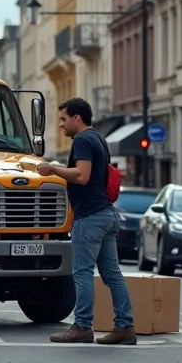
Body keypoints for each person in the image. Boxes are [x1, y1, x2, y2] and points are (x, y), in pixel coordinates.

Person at [35, 97, 136, 345]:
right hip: (106, 214)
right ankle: (125, 327)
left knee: (81, 273)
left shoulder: (82, 140)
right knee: (112, 274)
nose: (61, 124)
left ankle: (82, 326)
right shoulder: (98, 137)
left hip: (90, 217)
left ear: (76, 118)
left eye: (63, 118)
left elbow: (82, 175)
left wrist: (53, 169)